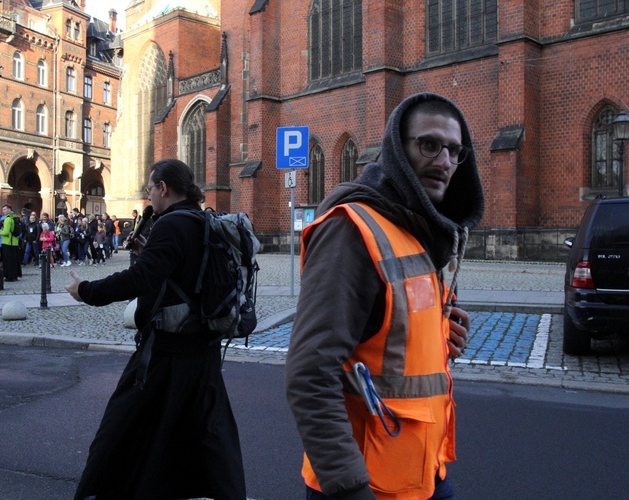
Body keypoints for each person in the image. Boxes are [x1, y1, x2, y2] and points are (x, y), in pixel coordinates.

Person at [285, 93, 485, 500]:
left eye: (454, 150)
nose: (444, 161)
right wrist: (349, 487)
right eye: (429, 145)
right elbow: (310, 373)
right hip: (366, 484)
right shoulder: (354, 229)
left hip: (422, 474)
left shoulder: (416, 226)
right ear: (397, 148)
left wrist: (437, 335)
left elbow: (387, 337)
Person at [66, 159, 246, 500]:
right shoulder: (204, 220)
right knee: (209, 436)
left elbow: (138, 280)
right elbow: (184, 274)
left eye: (150, 188)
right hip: (202, 349)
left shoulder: (171, 225)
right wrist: (151, 255)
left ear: (163, 187)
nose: (149, 196)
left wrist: (85, 291)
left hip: (166, 353)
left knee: (120, 430)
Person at [0, 204, 21, 282]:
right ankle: (14, 275)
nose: (3, 211)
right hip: (14, 242)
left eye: (4, 209)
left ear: (9, 209)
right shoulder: (15, 217)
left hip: (7, 242)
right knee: (14, 261)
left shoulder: (8, 219)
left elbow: (6, 232)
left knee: (7, 261)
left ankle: (9, 276)